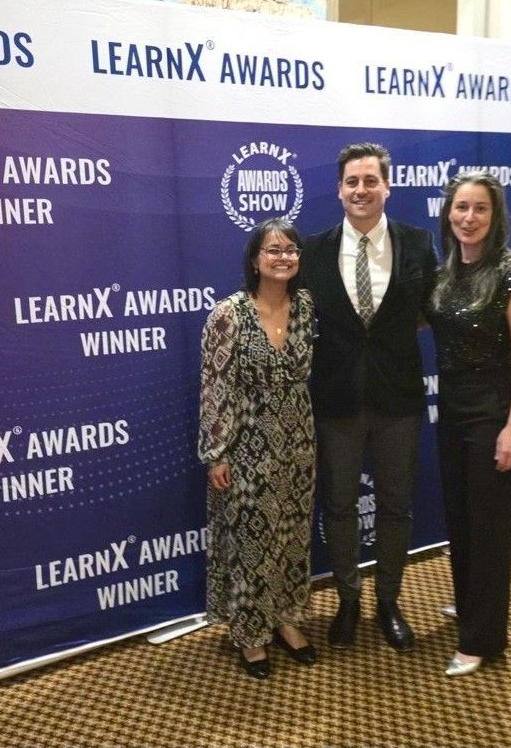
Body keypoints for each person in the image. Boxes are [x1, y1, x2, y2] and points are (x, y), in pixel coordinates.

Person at [301, 143, 437, 652]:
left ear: (387, 187)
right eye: (352, 181)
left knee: (396, 506)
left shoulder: (418, 242)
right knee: (338, 505)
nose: (361, 190)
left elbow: (428, 310)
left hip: (398, 398)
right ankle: (348, 600)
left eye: (370, 180)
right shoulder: (312, 251)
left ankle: (388, 601)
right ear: (339, 190)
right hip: (335, 400)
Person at [425, 171, 511, 676]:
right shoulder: (446, 273)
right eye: (461, 208)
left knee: (489, 528)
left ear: (495, 217)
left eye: (480, 209)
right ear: (448, 213)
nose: (468, 218)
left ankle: (481, 639)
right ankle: (472, 603)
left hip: (493, 413)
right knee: (461, 518)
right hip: (451, 411)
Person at [198, 217, 317, 679]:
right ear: (255, 259)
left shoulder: (306, 306)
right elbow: (215, 387)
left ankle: (286, 618)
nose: (283, 257)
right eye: (273, 250)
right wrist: (217, 452)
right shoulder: (228, 315)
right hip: (246, 444)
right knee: (251, 540)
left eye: (290, 250)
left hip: (298, 441)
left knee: (292, 535)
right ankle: (250, 634)